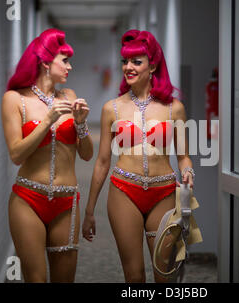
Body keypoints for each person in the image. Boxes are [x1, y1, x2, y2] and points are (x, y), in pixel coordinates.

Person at [82, 29, 195, 283]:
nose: (128, 67)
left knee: (164, 272)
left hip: (163, 192)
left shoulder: (173, 108)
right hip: (124, 192)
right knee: (134, 275)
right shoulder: (111, 108)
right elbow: (102, 162)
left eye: (136, 61)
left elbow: (184, 156)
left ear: (152, 66)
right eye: (125, 61)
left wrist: (188, 172)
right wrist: (89, 210)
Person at [1, 28, 93, 282]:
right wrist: (48, 119)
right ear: (44, 61)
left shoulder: (70, 97)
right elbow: (16, 154)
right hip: (28, 199)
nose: (70, 67)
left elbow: (86, 154)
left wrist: (81, 124)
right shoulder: (15, 99)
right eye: (65, 60)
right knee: (36, 278)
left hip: (66, 201)